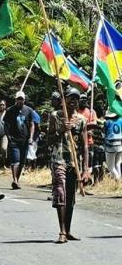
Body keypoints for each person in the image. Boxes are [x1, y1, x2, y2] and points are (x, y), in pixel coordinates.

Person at [47, 87, 89, 244]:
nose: (73, 100)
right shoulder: (55, 116)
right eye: (70, 97)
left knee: (70, 196)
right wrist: (61, 130)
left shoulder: (81, 120)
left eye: (76, 98)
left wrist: (86, 169)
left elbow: (85, 146)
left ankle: (68, 230)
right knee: (60, 192)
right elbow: (49, 140)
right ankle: (62, 231)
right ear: (63, 100)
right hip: (58, 160)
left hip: (74, 162)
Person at [3, 91, 35, 190]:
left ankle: (17, 179)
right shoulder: (10, 110)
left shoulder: (29, 110)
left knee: (22, 162)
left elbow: (31, 124)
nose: (20, 101)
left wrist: (31, 137)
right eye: (18, 99)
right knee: (15, 160)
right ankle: (14, 180)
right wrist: (8, 136)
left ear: (24, 100)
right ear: (16, 100)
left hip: (25, 140)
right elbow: (6, 125)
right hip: (14, 139)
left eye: (22, 99)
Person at [103, 111, 122, 180]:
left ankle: (117, 179)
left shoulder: (107, 122)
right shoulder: (121, 120)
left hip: (110, 145)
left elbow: (104, 134)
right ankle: (119, 181)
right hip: (120, 144)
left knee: (110, 167)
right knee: (117, 164)